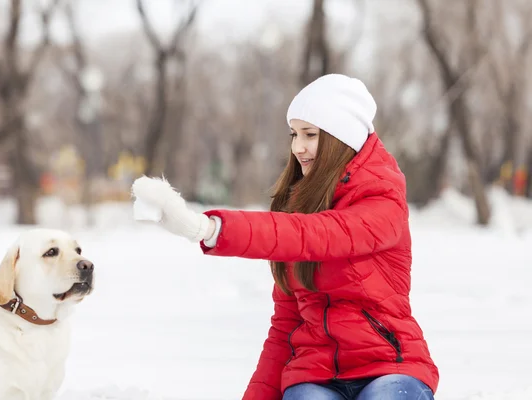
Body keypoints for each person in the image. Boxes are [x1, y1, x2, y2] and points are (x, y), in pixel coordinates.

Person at [131, 74, 439, 400]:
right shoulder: (298, 208)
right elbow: (285, 328)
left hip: (388, 366)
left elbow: (317, 235)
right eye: (294, 134)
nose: (298, 147)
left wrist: (209, 229)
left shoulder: (382, 201)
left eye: (310, 135)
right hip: (314, 375)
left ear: (341, 138)